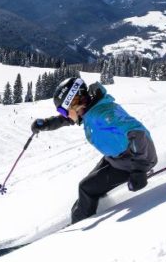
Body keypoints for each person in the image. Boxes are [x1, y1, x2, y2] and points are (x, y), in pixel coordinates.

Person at [31, 77, 157, 224]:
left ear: (74, 104)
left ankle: (79, 226)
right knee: (85, 189)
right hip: (117, 158)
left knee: (86, 188)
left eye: (64, 111)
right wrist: (46, 124)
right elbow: (68, 119)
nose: (65, 115)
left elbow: (137, 132)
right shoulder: (90, 109)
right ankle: (80, 217)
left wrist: (139, 170)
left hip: (132, 161)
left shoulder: (102, 114)